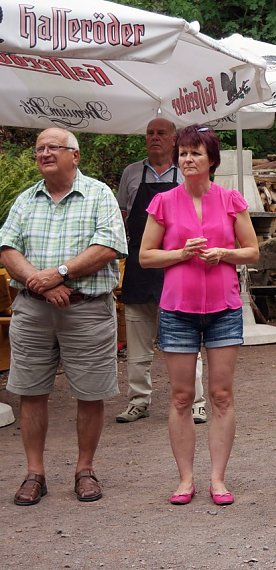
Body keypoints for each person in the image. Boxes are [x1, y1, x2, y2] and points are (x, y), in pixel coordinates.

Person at [0, 128, 127, 505]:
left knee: (90, 393)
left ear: (75, 155)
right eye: (39, 148)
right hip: (33, 310)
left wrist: (59, 274)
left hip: (87, 309)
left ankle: (84, 470)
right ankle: (34, 473)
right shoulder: (26, 199)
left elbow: (109, 246)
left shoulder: (99, 194)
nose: (44, 153)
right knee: (31, 391)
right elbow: (7, 247)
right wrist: (41, 284)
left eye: (53, 147)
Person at [138, 125, 258, 506]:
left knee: (221, 395)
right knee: (181, 396)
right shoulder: (163, 202)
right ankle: (185, 478)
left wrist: (223, 253)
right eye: (184, 153)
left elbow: (252, 251)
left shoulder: (231, 200)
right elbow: (145, 256)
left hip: (224, 308)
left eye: (195, 153)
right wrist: (181, 254)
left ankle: (218, 479)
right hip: (177, 311)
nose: (187, 159)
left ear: (211, 160)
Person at [115, 117, 207, 424]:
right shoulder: (131, 173)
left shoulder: (187, 173)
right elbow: (122, 219)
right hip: (140, 267)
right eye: (150, 133)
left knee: (186, 341)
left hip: (180, 267)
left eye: (161, 133)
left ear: (174, 139)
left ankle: (196, 401)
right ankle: (138, 401)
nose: (154, 137)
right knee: (137, 344)